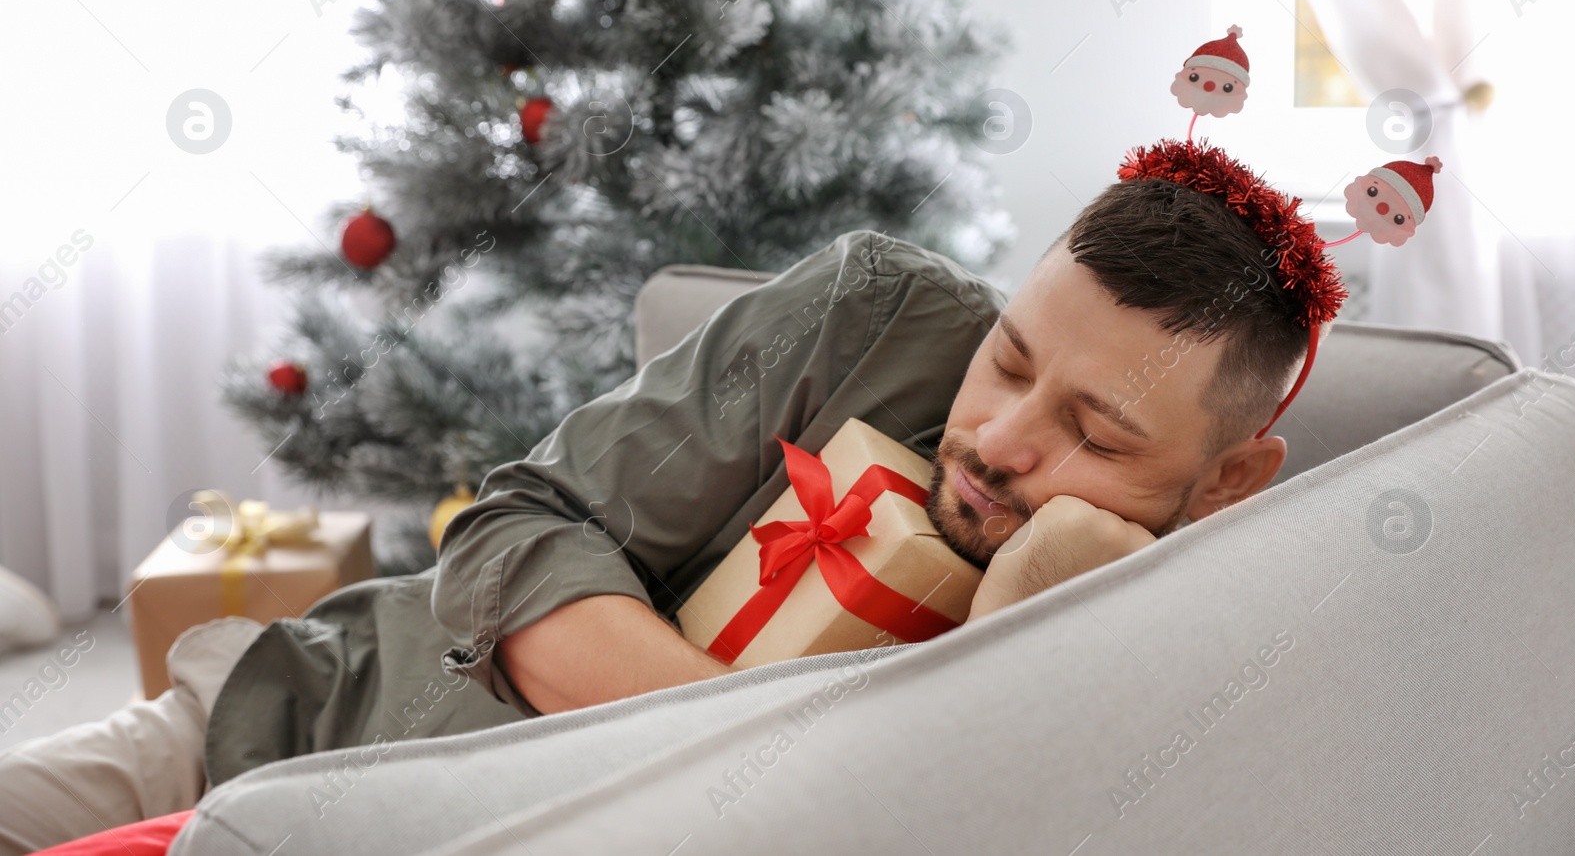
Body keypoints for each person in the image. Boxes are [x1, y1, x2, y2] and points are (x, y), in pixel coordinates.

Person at [0, 151, 1337, 852]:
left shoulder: (1178, 633)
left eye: (1095, 433)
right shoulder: (878, 315)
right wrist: (743, 751)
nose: (997, 441)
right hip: (298, 717)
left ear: (1229, 481)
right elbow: (514, 529)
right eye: (1011, 361)